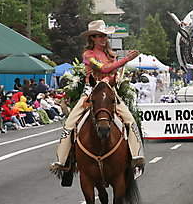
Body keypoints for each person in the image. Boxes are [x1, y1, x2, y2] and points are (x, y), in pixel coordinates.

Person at [50, 20, 144, 181]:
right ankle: (64, 162)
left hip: (109, 91)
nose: (103, 39)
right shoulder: (88, 55)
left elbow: (112, 73)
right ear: (92, 38)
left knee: (130, 120)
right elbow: (103, 69)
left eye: (104, 36)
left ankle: (136, 157)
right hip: (90, 91)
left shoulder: (111, 54)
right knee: (71, 123)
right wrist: (126, 59)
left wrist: (113, 76)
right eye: (99, 36)